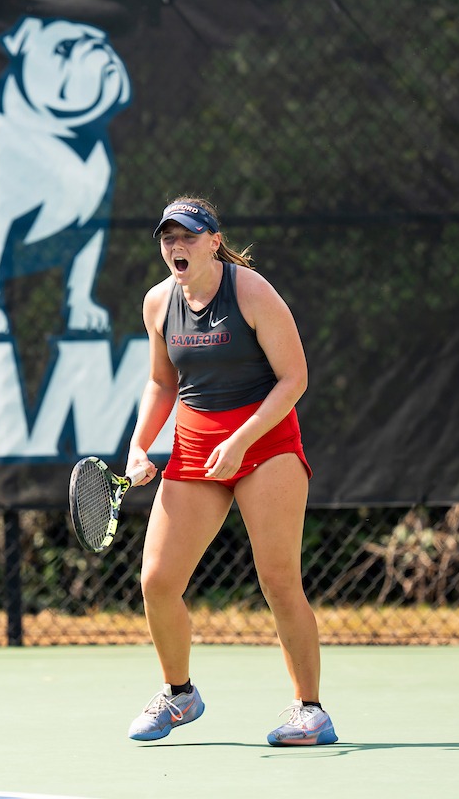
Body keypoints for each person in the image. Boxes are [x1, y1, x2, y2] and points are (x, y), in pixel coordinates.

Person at [123, 196, 337, 746]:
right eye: (168, 237)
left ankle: (309, 709)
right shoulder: (157, 303)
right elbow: (162, 383)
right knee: (157, 582)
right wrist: (139, 445)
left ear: (214, 242)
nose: (177, 246)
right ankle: (179, 693)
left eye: (189, 236)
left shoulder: (251, 291)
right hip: (195, 446)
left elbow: (294, 378)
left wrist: (242, 442)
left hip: (266, 443)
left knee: (279, 580)